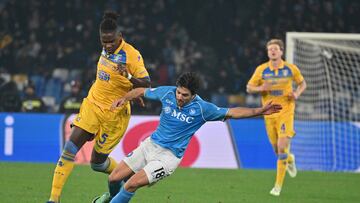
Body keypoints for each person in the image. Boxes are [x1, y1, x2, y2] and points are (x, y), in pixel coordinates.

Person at [93, 72, 282, 203]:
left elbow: (233, 112)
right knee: (114, 179)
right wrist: (125, 98)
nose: (179, 97)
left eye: (185, 95)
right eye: (178, 92)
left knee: (132, 184)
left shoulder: (203, 109)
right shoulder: (167, 92)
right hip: (150, 145)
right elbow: (142, 91)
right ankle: (112, 198)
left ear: (193, 95)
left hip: (168, 158)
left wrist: (260, 110)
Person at [47, 11, 151, 203]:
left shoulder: (132, 56)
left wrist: (129, 79)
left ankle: (125, 174)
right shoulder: (106, 48)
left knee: (97, 163)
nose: (108, 46)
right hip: (93, 104)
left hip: (115, 114)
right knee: (69, 149)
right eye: (104, 42)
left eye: (111, 41)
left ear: (120, 37)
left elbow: (146, 83)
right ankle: (53, 199)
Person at [246, 39, 306, 196]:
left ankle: (277, 186)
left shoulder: (290, 68)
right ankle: (290, 160)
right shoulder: (262, 70)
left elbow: (302, 84)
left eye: (275, 49)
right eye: (270, 49)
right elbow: (249, 87)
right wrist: (261, 88)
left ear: (281, 52)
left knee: (281, 147)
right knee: (277, 150)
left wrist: (296, 94)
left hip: (286, 112)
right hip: (269, 114)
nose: (272, 51)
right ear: (267, 52)